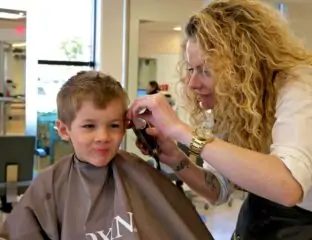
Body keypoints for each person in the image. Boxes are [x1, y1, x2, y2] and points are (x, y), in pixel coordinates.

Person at [128, 0, 312, 239]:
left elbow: (288, 186)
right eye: (191, 69)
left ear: (242, 66)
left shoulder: (303, 85)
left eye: (205, 70)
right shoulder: (237, 105)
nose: (193, 83)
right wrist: (177, 158)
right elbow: (217, 188)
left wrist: (181, 131)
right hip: (257, 222)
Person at [0, 71, 213, 240]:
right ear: (64, 130)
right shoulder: (50, 187)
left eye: (113, 125)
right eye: (89, 126)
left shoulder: (140, 173)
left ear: (126, 126)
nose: (103, 137)